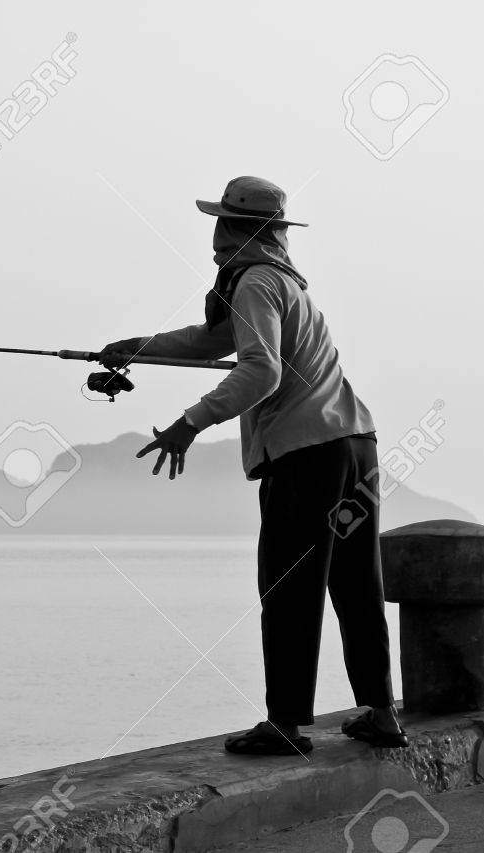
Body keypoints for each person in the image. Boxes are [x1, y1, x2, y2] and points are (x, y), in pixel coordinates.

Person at [100, 176, 408, 756]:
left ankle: (286, 725)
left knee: (289, 587)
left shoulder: (254, 284)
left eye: (222, 224)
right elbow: (211, 342)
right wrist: (138, 346)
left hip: (307, 456)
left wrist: (189, 424)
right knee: (354, 585)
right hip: (355, 446)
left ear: (243, 232)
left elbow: (260, 370)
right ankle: (381, 713)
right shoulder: (283, 283)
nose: (214, 239)